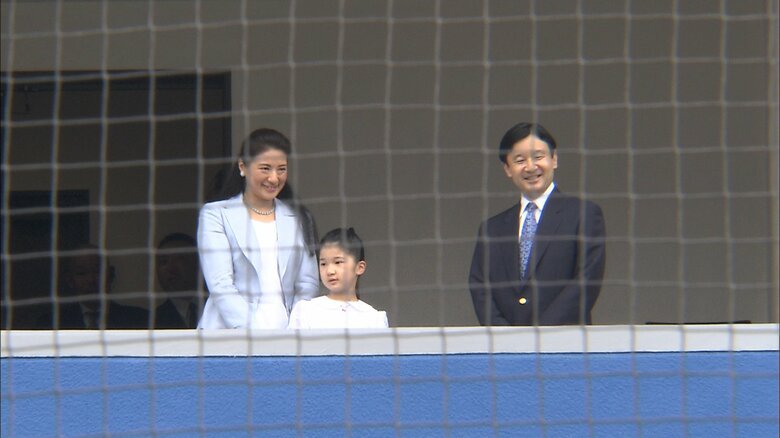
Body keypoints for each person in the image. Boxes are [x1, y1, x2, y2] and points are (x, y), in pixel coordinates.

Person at [469, 122, 606, 326]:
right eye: (520, 160)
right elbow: (480, 287)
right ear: (507, 168)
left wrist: (541, 336)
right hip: (506, 349)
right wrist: (506, 338)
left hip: (564, 346)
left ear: (554, 159)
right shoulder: (492, 229)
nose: (531, 167)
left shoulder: (583, 215)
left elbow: (587, 281)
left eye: (538, 156)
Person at [197, 128, 319, 329]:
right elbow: (221, 285)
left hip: (287, 338)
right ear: (243, 167)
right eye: (265, 168)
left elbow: (308, 284)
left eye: (281, 169)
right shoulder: (215, 214)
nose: (274, 178)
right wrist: (255, 334)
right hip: (228, 337)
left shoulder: (299, 217)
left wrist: (293, 331)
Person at [287, 228, 388, 329]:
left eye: (338, 262)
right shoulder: (305, 311)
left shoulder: (374, 318)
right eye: (323, 264)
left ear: (359, 267)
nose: (330, 271)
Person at [37, 243, 148, 329]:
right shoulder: (51, 323)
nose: (91, 280)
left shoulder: (137, 320)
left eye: (97, 271)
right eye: (81, 273)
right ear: (70, 281)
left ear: (110, 275)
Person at [153, 233, 204, 328]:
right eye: (163, 261)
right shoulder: (150, 321)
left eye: (181, 259)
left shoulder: (221, 310)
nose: (171, 269)